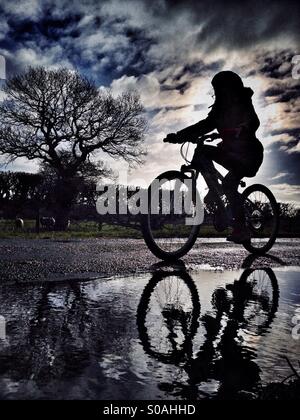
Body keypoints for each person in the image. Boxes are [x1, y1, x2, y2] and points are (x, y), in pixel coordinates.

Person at [165, 71, 264, 243]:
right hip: (231, 153)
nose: (218, 93)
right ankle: (214, 189)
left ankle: (242, 229)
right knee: (203, 151)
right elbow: (204, 125)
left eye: (220, 89)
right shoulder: (219, 111)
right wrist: (178, 136)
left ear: (231, 89)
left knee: (228, 183)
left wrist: (243, 128)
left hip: (249, 155)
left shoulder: (243, 101)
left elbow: (253, 121)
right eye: (216, 90)